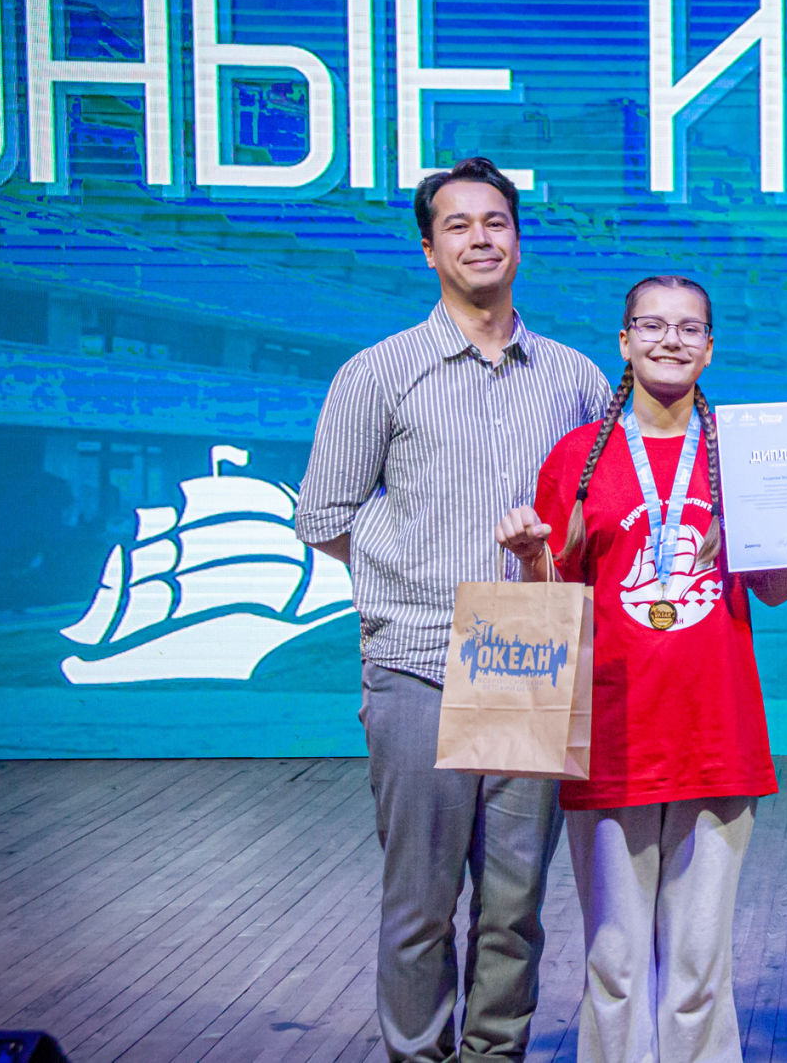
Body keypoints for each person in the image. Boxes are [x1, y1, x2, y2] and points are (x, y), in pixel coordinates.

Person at [295, 157, 612, 1063]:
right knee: (420, 906)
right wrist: (411, 575)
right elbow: (322, 516)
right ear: (429, 249)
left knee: (514, 908)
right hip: (419, 662)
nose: (481, 238)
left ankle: (494, 1054)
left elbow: (597, 512)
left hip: (531, 663)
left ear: (519, 240)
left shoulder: (576, 377)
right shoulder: (379, 372)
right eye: (459, 225)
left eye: (496, 222)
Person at [494, 275, 787, 1063]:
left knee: (698, 970)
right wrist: (528, 557)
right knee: (616, 965)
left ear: (710, 347)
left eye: (689, 328)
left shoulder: (747, 453)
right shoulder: (578, 458)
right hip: (611, 740)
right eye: (652, 326)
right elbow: (552, 603)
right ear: (624, 341)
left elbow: (774, 587)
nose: (670, 340)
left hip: (716, 737)